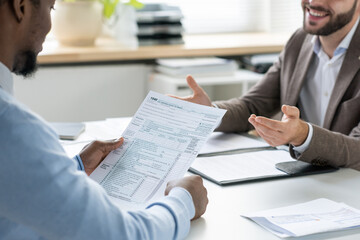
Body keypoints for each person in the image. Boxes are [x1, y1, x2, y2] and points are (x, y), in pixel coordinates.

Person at [0, 0, 208, 239]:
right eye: (51, 8)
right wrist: (183, 199)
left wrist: (74, 167)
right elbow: (124, 235)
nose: (49, 26)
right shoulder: (13, 129)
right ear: (21, 7)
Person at [173, 0, 360, 170]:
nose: (314, 2)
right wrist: (209, 112)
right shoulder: (299, 40)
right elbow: (253, 106)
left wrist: (303, 135)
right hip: (304, 176)